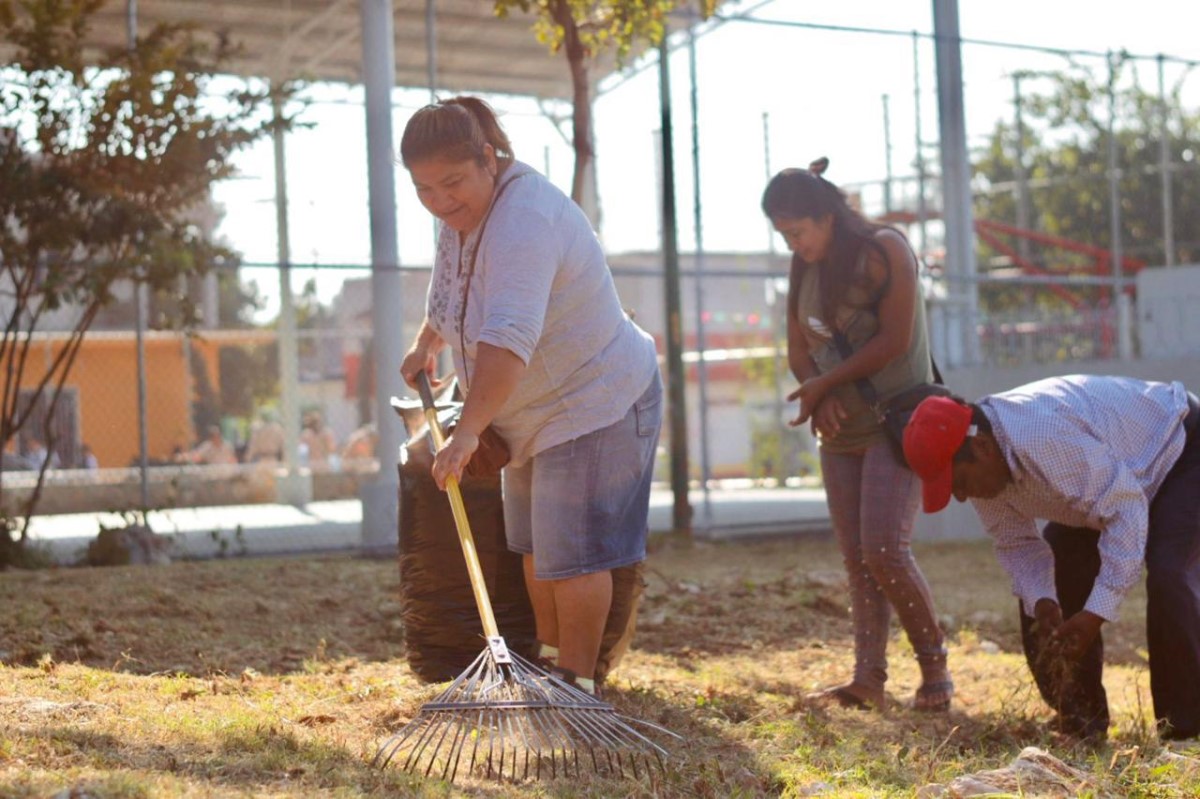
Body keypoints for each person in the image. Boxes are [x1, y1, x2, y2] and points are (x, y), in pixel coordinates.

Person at [397, 96, 662, 696]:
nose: (440, 201)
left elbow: (509, 337)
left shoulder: (525, 220)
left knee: (575, 554)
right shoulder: (461, 215)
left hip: (596, 398)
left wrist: (467, 432)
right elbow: (452, 287)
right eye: (424, 188)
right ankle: (549, 671)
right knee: (535, 549)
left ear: (489, 159)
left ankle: (579, 684)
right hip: (529, 407)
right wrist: (427, 342)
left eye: (453, 183)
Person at [903, 375, 1200, 742]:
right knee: (1050, 586)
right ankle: (1080, 721)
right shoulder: (988, 461)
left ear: (980, 447)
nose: (962, 497)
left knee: (1170, 573)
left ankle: (1187, 730)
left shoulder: (1041, 437)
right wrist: (1043, 600)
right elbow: (1017, 546)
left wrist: (1094, 614)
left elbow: (1125, 510)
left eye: (960, 483)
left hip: (1181, 448)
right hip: (1114, 480)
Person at [761, 159, 952, 711]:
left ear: (826, 217)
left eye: (798, 232)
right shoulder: (805, 267)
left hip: (900, 423)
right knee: (858, 559)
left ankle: (934, 667)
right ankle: (867, 678)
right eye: (784, 236)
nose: (794, 245)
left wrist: (825, 386)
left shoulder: (885, 249)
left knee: (886, 550)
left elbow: (893, 340)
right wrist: (819, 394)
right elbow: (799, 348)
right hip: (840, 429)